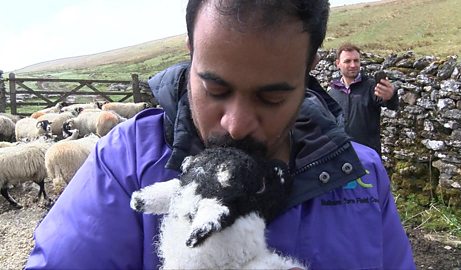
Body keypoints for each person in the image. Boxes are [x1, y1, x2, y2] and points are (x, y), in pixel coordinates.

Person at [26, 1, 415, 269]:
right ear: (191, 51)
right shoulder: (125, 165)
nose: (236, 123)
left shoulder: (363, 176)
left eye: (271, 96)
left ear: (309, 67)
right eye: (215, 90)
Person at [329, 43, 399, 156]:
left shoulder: (372, 87)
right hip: (341, 157)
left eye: (356, 60)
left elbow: (391, 104)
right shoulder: (333, 92)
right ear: (338, 64)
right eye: (347, 61)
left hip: (367, 157)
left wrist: (391, 96)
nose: (353, 65)